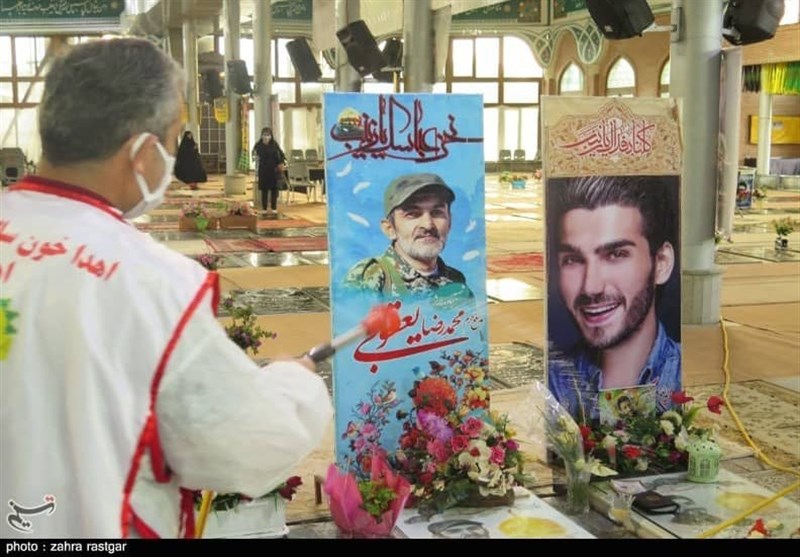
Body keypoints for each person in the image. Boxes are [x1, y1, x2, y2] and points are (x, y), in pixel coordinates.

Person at [0, 38, 332, 539]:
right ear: (140, 152)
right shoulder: (151, 282)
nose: (173, 159)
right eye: (173, 141)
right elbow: (245, 444)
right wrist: (294, 382)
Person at [546, 174, 681, 423]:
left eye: (616, 254)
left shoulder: (679, 379)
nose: (591, 287)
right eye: (573, 260)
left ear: (661, 263)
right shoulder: (552, 383)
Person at [343, 173, 474, 309]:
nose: (428, 225)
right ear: (389, 228)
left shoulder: (456, 282)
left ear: (450, 222)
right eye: (412, 214)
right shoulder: (370, 277)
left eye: (437, 213)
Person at [252, 127, 286, 215]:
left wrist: (281, 163)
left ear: (271, 136)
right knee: (264, 190)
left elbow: (281, 155)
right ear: (262, 135)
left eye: (268, 135)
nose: (266, 137)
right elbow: (255, 155)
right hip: (263, 170)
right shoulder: (259, 145)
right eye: (264, 135)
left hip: (273, 170)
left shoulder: (274, 144)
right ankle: (264, 208)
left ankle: (274, 208)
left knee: (274, 189)